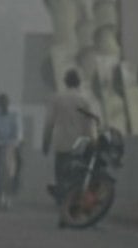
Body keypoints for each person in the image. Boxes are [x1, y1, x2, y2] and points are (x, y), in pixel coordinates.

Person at [42, 69, 99, 210]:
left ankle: (61, 202)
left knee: (61, 176)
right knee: (78, 176)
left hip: (61, 144)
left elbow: (49, 123)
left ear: (65, 82)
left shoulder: (56, 98)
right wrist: (93, 141)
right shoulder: (85, 100)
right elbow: (89, 124)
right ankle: (74, 203)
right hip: (80, 145)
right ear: (79, 82)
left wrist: (45, 142)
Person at [0, 93, 22, 196]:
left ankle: (16, 181)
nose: (4, 106)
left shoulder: (15, 113)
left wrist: (19, 139)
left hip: (12, 143)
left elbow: (19, 129)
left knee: (20, 160)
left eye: (5, 104)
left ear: (8, 104)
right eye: (1, 104)